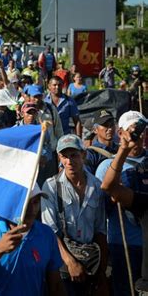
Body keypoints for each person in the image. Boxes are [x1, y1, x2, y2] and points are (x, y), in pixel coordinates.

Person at [0, 184, 65, 295]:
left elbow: (56, 285)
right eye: (25, 203)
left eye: (35, 202)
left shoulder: (46, 234)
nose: (31, 209)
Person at [41, 134, 108, 296]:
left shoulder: (97, 186)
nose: (69, 161)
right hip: (62, 265)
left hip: (91, 261)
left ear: (83, 155)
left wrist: (101, 271)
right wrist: (71, 263)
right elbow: (50, 231)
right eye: (64, 156)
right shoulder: (50, 187)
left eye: (74, 155)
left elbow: (101, 230)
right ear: (59, 158)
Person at [99, 111, 148, 294]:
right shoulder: (107, 166)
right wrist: (124, 149)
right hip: (124, 245)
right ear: (121, 133)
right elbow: (105, 197)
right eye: (134, 129)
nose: (140, 135)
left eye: (143, 129)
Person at [84, 109, 118, 174]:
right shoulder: (91, 154)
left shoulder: (119, 149)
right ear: (95, 130)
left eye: (111, 124)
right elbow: (87, 177)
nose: (110, 129)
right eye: (105, 125)